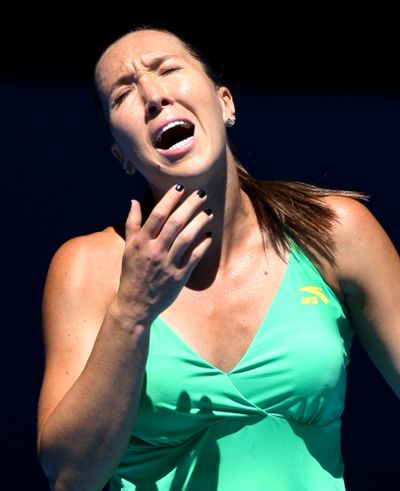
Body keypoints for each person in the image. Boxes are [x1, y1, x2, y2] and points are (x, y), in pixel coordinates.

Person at [36, 26, 400, 491]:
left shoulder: (335, 231)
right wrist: (132, 310)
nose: (154, 95)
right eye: (123, 94)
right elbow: (69, 478)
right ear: (121, 156)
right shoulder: (86, 268)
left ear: (225, 103)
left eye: (168, 69)